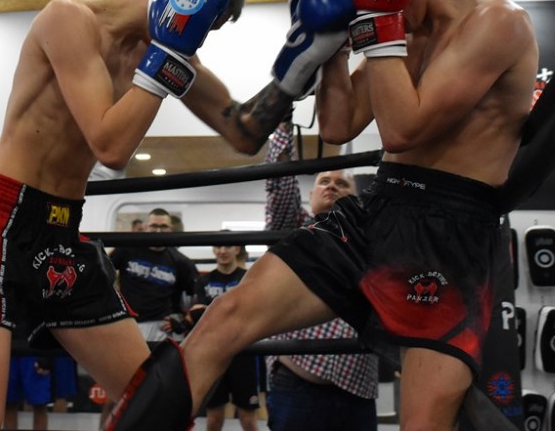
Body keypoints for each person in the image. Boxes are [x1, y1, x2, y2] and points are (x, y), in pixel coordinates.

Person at [106, 0, 539, 431]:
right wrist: (331, 47)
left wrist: (379, 19)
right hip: (379, 209)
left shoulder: (496, 22)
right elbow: (339, 125)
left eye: (376, 3)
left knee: (423, 421)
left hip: (449, 231)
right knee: (223, 320)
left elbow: (403, 128)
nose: (384, 18)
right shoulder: (402, 28)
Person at [0, 0, 339, 431]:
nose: (198, 38)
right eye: (203, 21)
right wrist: (168, 54)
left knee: (157, 403)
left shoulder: (165, 52)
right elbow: (110, 146)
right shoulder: (69, 20)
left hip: (61, 232)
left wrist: (298, 66)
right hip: (2, 222)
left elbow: (241, 131)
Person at [264, 162, 378, 431]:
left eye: (342, 183)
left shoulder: (374, 240)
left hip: (358, 387)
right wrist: (281, 135)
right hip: (298, 382)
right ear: (311, 195)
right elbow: (280, 188)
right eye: (324, 181)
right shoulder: (294, 231)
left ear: (356, 198)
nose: (332, 186)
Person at [100, 208, 200, 426]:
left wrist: (183, 322)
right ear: (146, 227)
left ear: (171, 229)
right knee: (116, 394)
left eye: (163, 226)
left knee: (162, 395)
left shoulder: (180, 261)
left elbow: (196, 300)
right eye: (154, 225)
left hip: (161, 328)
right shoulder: (128, 249)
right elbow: (101, 271)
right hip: (129, 326)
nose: (158, 230)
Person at [195, 242, 259, 431]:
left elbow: (252, 313)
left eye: (228, 246)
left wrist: (213, 312)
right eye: (218, 247)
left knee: (248, 418)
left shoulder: (248, 278)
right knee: (214, 418)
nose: (222, 251)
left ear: (237, 250)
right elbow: (199, 316)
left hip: (243, 352)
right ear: (214, 250)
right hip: (214, 354)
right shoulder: (203, 281)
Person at [3, 324, 52, 430]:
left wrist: (45, 355)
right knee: (9, 404)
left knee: (39, 404)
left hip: (34, 348)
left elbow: (47, 318)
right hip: (8, 345)